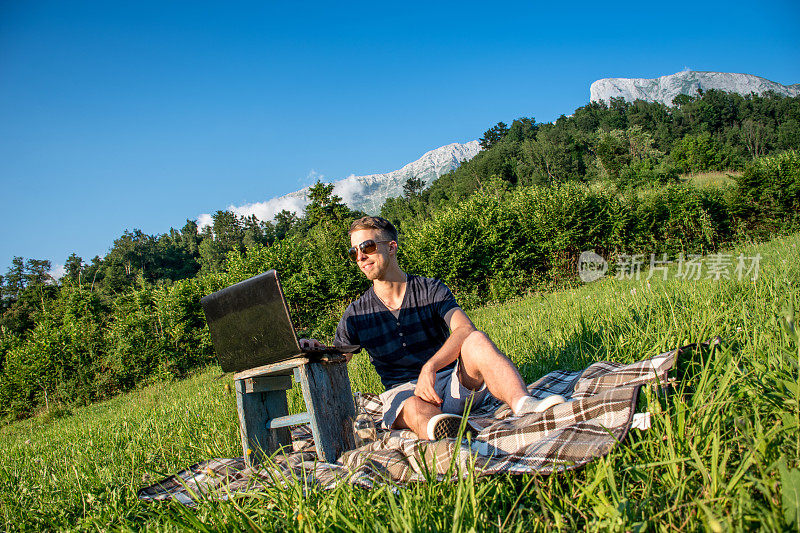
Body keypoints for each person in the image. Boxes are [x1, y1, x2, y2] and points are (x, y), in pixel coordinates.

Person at [301, 216, 565, 441]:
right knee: (412, 407)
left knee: (476, 340)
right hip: (404, 393)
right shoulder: (356, 313)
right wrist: (317, 349)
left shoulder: (430, 289)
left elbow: (463, 329)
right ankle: (450, 434)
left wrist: (431, 367)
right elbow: (339, 358)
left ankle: (526, 405)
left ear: (391, 247)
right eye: (354, 252)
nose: (360, 256)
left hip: (451, 382)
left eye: (367, 246)